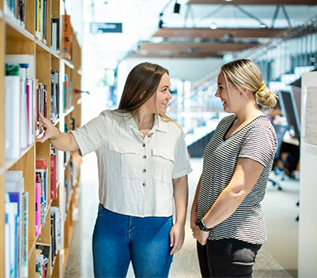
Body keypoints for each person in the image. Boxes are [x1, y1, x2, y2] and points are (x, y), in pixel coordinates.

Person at [37, 62, 193, 277]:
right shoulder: (108, 123)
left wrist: (180, 224)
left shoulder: (174, 132)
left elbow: (180, 180)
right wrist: (54, 134)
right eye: (164, 90)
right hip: (111, 224)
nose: (170, 96)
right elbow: (71, 142)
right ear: (142, 92)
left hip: (157, 229)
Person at [190, 59, 278, 277]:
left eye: (221, 87)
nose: (217, 94)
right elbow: (208, 170)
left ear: (242, 89)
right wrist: (197, 214)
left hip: (234, 237)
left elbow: (238, 189)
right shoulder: (226, 123)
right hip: (209, 229)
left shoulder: (259, 131)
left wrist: (206, 225)